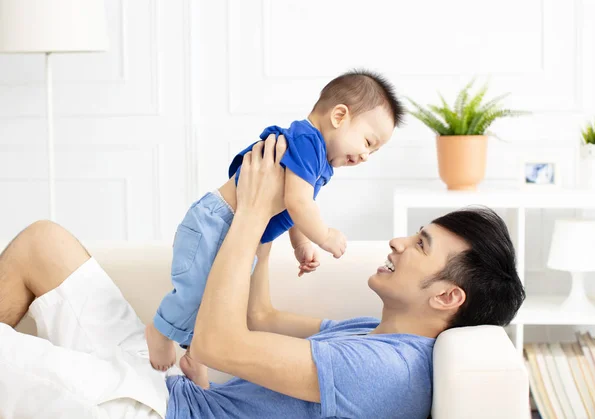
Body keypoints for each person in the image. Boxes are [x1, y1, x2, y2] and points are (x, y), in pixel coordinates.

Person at [0, 135, 525, 419]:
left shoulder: (386, 371)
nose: (397, 243)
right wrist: (271, 226)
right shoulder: (375, 334)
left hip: (157, 410)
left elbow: (218, 341)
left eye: (420, 246)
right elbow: (260, 318)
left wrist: (249, 212)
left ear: (447, 296)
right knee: (44, 242)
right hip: (174, 385)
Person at [146, 69, 404, 376]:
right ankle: (160, 331)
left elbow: (294, 204)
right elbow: (298, 202)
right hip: (215, 222)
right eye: (368, 142)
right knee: (197, 291)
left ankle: (195, 355)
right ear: (339, 116)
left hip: (236, 231)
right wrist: (324, 236)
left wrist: (300, 243)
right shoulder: (307, 141)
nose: (366, 156)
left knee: (220, 299)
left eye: (374, 151)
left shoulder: (316, 156)